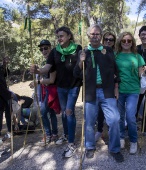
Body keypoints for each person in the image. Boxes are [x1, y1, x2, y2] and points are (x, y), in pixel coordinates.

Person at [74, 24, 124, 162]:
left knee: (114, 119)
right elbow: (76, 74)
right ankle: (89, 147)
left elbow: (115, 71)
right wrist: (81, 62)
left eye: (97, 34)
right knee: (89, 121)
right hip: (91, 91)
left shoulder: (108, 50)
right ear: (88, 36)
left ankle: (114, 149)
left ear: (100, 36)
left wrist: (116, 88)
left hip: (107, 91)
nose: (95, 36)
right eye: (92, 34)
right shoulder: (83, 52)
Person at [30, 27, 82, 158]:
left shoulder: (78, 48)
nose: (59, 38)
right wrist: (37, 70)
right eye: (58, 36)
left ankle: (71, 143)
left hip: (74, 86)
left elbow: (82, 66)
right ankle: (66, 135)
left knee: (69, 112)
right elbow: (47, 67)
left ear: (69, 36)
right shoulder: (55, 52)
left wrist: (83, 59)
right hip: (61, 87)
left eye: (62, 36)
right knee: (64, 113)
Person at [115, 32, 145, 154]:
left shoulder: (137, 56)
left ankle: (133, 141)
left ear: (132, 42)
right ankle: (121, 137)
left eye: (129, 40)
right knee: (120, 117)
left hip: (133, 90)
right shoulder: (115, 56)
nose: (126, 43)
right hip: (120, 90)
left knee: (130, 117)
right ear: (120, 42)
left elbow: (140, 74)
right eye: (124, 41)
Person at [30, 40, 60, 144]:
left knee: (42, 112)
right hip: (46, 90)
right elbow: (44, 76)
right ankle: (54, 134)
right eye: (41, 49)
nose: (43, 50)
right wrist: (38, 71)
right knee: (51, 113)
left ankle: (48, 135)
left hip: (52, 91)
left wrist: (37, 82)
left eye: (46, 48)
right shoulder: (46, 62)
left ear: (50, 48)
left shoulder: (53, 60)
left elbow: (51, 80)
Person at [95, 31, 117, 141]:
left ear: (114, 42)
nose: (108, 41)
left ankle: (111, 131)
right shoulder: (98, 51)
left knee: (112, 113)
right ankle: (99, 130)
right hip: (100, 87)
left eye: (111, 40)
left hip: (113, 87)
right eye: (106, 39)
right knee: (100, 110)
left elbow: (117, 70)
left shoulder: (115, 54)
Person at [0, 56, 12, 138]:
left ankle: (10, 130)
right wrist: (8, 94)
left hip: (4, 94)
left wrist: (4, 65)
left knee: (8, 112)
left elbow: (5, 74)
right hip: (2, 94)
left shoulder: (0, 68)